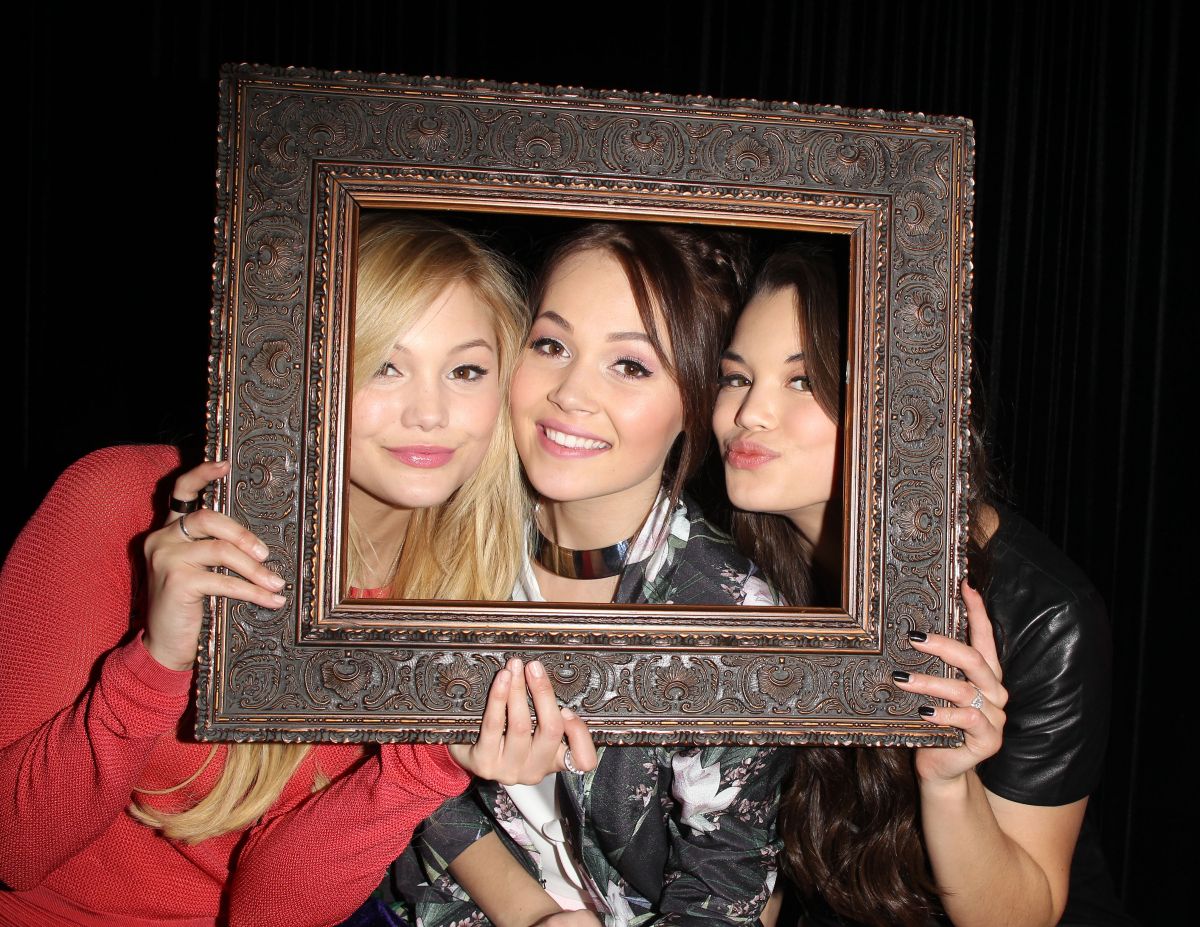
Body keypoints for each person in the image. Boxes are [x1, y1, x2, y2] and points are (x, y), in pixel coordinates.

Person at [0, 215, 595, 927]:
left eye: (465, 371)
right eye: (384, 365)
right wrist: (155, 663)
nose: (430, 413)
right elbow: (12, 849)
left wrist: (427, 763)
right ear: (300, 370)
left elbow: (271, 909)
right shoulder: (124, 503)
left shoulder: (464, 586)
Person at [385, 222, 791, 927]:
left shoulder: (734, 619)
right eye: (551, 345)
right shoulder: (441, 531)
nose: (570, 392)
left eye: (630, 365)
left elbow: (723, 884)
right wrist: (529, 913)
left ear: (694, 405)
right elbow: (399, 757)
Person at [712, 243, 1117, 926]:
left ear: (900, 401)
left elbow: (1023, 915)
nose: (749, 411)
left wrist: (950, 783)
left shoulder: (1044, 614)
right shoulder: (730, 571)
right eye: (735, 376)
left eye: (803, 380)